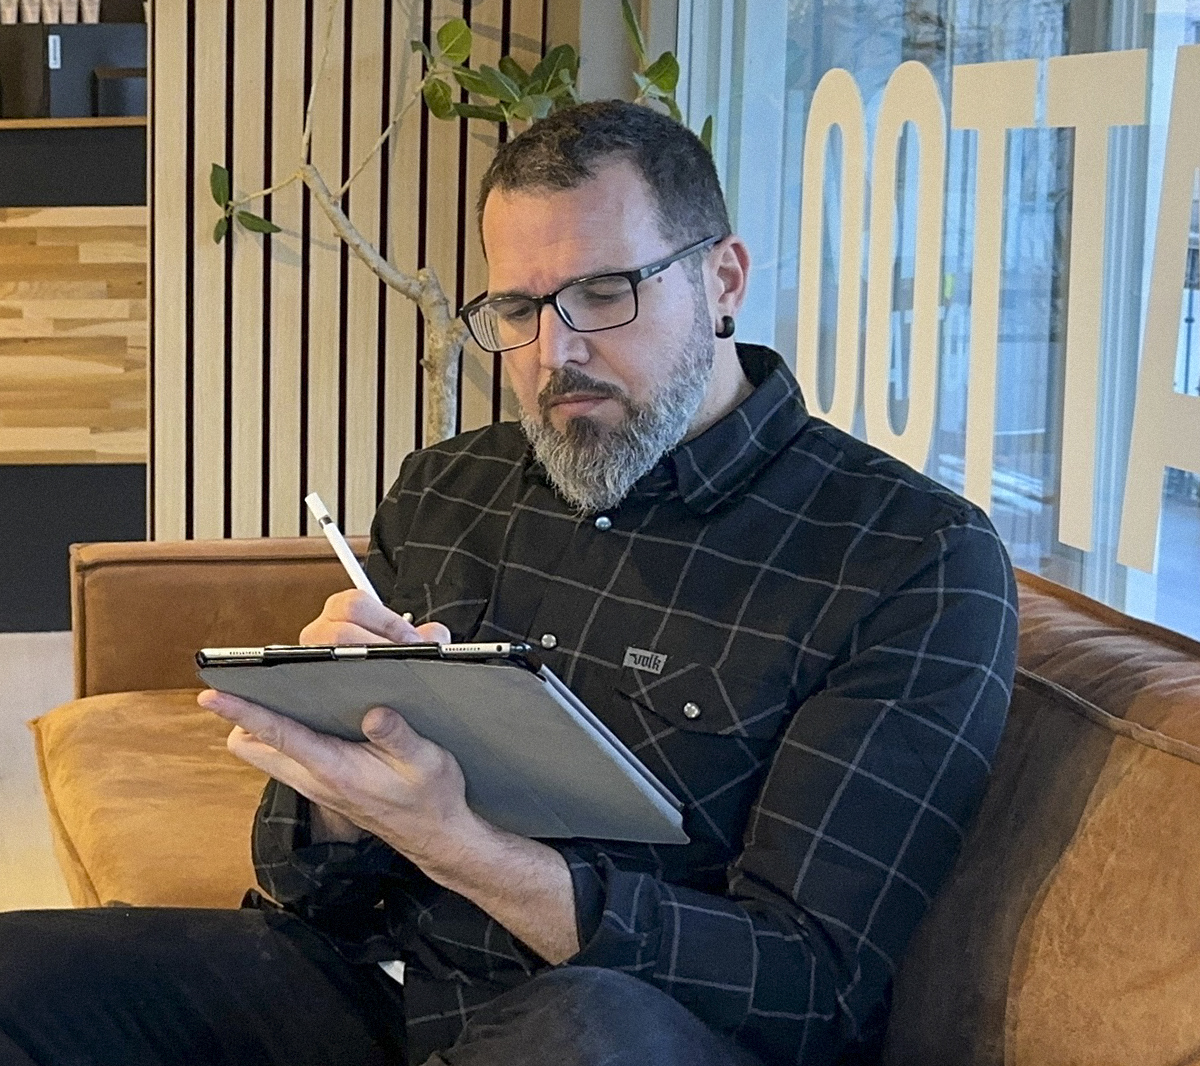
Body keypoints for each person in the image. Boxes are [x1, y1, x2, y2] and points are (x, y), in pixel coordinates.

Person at [0, 101, 1017, 1066]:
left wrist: (459, 844)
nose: (553, 352)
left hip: (624, 1032)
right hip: (385, 991)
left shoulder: (908, 558)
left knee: (587, 1030)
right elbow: (303, 891)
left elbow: (809, 987)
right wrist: (339, 769)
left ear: (723, 280)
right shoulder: (453, 487)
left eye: (603, 293)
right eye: (518, 308)